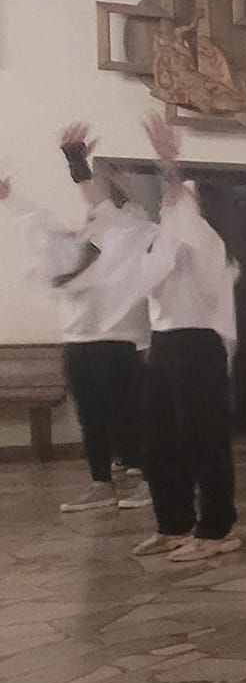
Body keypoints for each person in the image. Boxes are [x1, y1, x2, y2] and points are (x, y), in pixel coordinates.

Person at [1, 126, 154, 514]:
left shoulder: (129, 227)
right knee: (91, 416)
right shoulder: (79, 236)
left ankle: (150, 479)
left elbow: (93, 204)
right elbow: (37, 221)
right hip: (79, 340)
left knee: (130, 413)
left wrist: (76, 161)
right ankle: (101, 483)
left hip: (118, 340)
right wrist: (10, 196)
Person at [130, 113, 242, 562]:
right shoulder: (165, 242)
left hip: (197, 345)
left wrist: (169, 165)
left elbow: (179, 207)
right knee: (156, 441)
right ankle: (173, 524)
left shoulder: (204, 238)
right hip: (165, 342)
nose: (168, 203)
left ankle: (217, 529)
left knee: (203, 441)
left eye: (180, 199)